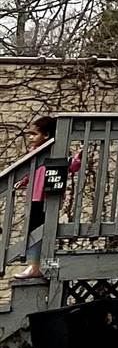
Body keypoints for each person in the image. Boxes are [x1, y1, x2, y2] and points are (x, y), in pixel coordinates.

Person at [18, 115, 56, 278]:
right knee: (33, 231)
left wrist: (78, 158)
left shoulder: (54, 152)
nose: (31, 138)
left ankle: (40, 267)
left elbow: (71, 166)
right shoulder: (33, 153)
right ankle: (35, 266)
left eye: (34, 134)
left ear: (46, 135)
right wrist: (22, 181)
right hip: (34, 197)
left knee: (45, 232)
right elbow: (28, 172)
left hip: (48, 197)